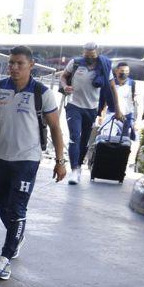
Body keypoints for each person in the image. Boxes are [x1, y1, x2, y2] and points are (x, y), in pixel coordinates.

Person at [0, 46, 66, 281]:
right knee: (0, 202)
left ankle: (5, 258)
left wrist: (60, 161)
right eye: (11, 63)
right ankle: (17, 234)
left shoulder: (42, 93)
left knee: (17, 207)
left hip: (27, 159)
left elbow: (55, 128)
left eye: (19, 63)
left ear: (30, 65)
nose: (13, 67)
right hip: (1, 156)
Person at [59, 41, 123, 184]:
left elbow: (112, 89)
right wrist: (65, 86)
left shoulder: (104, 66)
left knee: (84, 141)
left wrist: (117, 109)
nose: (89, 59)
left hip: (92, 109)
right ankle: (74, 170)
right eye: (87, 56)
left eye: (92, 56)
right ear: (83, 53)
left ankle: (79, 166)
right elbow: (63, 76)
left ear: (97, 53)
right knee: (75, 136)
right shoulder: (75, 63)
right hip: (74, 105)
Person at [104, 62, 136, 140]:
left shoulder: (132, 83)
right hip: (112, 114)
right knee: (109, 136)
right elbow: (105, 100)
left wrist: (135, 119)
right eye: (122, 71)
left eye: (126, 71)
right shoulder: (111, 83)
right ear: (116, 71)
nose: (124, 73)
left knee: (124, 140)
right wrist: (102, 115)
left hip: (127, 116)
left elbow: (134, 100)